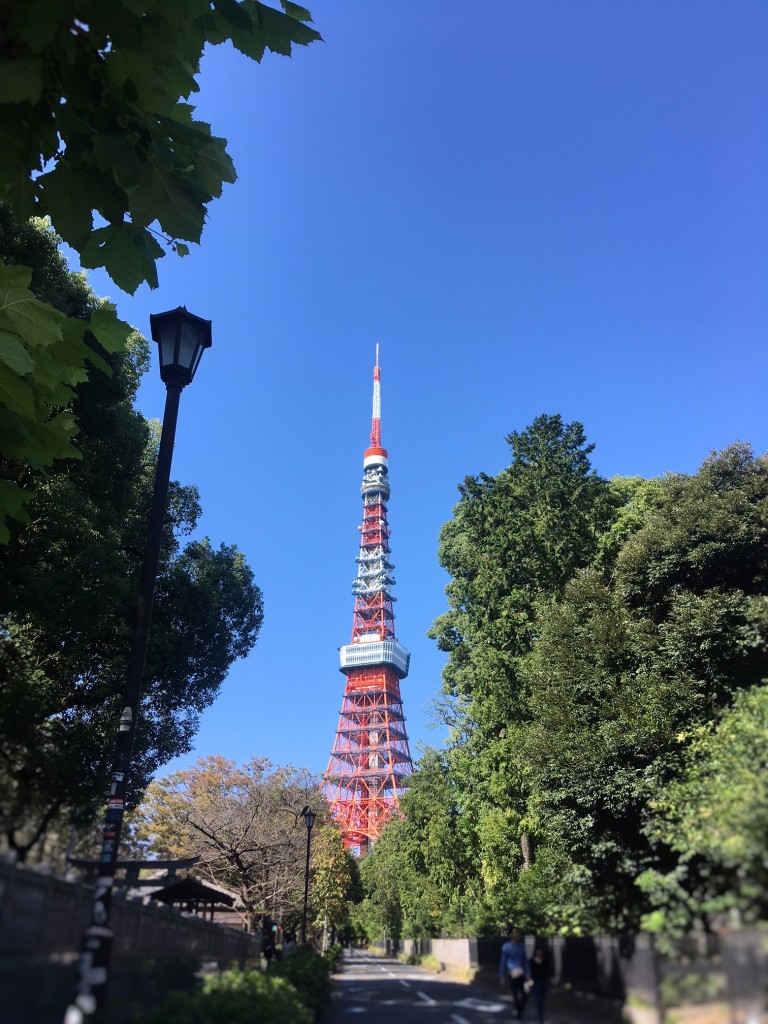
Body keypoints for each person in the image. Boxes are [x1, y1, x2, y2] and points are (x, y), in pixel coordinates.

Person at [498, 927, 530, 1019]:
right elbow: (503, 962)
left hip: (521, 973)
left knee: (524, 995)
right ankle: (518, 1013)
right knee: (515, 994)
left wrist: (528, 973)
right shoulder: (506, 947)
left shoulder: (522, 947)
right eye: (515, 933)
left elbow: (525, 961)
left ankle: (519, 1010)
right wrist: (502, 976)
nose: (517, 934)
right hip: (512, 973)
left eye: (518, 933)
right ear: (511, 935)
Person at [529, 946, 549, 1023]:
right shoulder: (531, 961)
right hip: (535, 982)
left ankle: (541, 1012)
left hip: (543, 982)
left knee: (542, 998)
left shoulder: (545, 961)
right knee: (538, 999)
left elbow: (548, 972)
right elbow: (529, 971)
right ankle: (540, 1014)